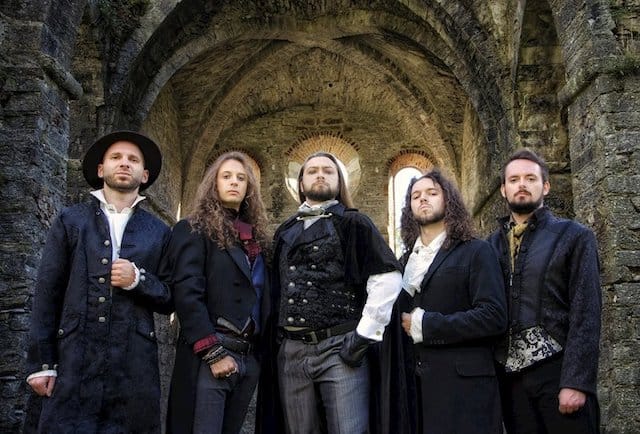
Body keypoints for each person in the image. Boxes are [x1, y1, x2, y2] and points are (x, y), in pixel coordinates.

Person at [26, 131, 171, 433]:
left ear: (144, 175)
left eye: (133, 160)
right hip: (74, 358)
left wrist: (139, 280)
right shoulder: (71, 220)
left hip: (133, 364)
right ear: (101, 169)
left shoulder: (159, 232)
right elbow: (47, 291)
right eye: (116, 157)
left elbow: (170, 296)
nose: (124, 163)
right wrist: (42, 364)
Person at [264, 151, 403, 434]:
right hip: (292, 351)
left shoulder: (354, 223)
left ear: (339, 182)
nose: (320, 175)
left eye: (328, 171)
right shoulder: (285, 231)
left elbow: (386, 277)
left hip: (340, 348)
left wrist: (363, 336)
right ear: (301, 183)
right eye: (312, 170)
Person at [487, 148, 602, 433]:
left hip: (558, 374)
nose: (522, 185)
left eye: (530, 178)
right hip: (511, 384)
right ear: (503, 189)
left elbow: (587, 310)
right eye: (514, 180)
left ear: (546, 186)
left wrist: (576, 382)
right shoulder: (489, 247)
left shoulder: (575, 236)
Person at [163, 151, 270, 434]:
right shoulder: (192, 229)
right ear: (214, 183)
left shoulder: (257, 239)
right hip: (210, 353)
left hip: (248, 357)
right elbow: (186, 293)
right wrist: (212, 352)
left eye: (241, 178)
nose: (234, 182)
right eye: (226, 176)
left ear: (249, 188)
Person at [398, 169, 507, 433]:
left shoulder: (476, 251)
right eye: (416, 196)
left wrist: (428, 325)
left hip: (465, 392)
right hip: (418, 393)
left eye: (432, 193)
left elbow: (493, 316)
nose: (423, 199)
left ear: (448, 200)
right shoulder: (404, 263)